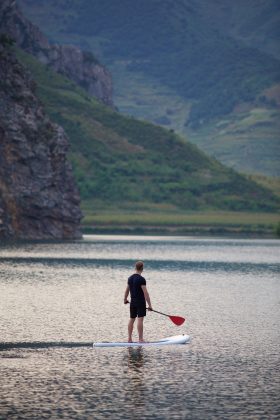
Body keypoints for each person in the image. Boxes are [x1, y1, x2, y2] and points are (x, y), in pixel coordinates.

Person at [124, 261, 153, 342]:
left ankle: (129, 339)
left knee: (132, 319)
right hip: (140, 302)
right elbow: (145, 293)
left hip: (132, 302)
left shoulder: (130, 278)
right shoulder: (141, 279)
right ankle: (140, 339)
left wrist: (125, 299)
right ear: (142, 268)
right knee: (140, 320)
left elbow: (127, 290)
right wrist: (150, 305)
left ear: (135, 268)